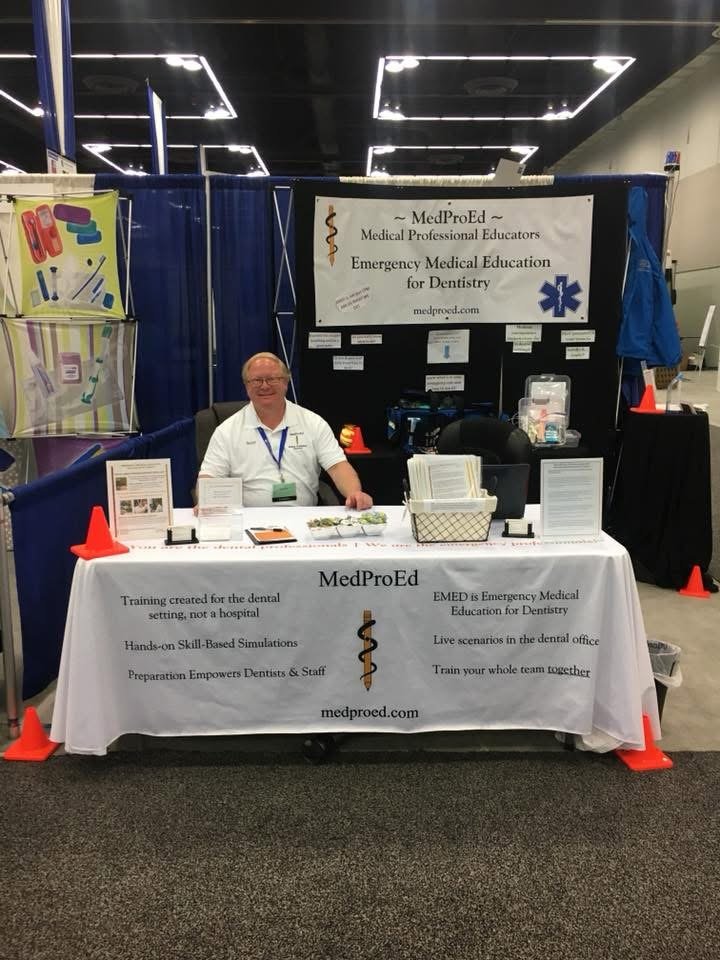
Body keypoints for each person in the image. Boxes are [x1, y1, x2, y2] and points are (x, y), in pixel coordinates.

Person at [197, 352, 373, 510]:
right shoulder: (227, 430)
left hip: (303, 517)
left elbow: (337, 466)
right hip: (248, 519)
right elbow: (209, 476)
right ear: (246, 386)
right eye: (256, 380)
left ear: (286, 382)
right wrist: (205, 501)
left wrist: (354, 493)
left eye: (272, 379)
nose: (264, 386)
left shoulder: (313, 422)